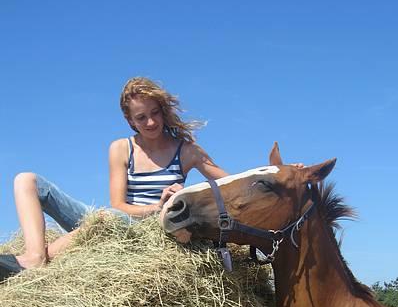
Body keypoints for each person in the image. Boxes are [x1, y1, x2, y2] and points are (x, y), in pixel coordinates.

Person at [0, 77, 228, 281]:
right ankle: (35, 256)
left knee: (106, 216)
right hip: (118, 218)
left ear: (163, 110)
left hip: (149, 231)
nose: (150, 122)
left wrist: (180, 202)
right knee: (27, 179)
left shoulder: (187, 151)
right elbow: (119, 205)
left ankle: (35, 262)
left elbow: (231, 184)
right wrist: (155, 205)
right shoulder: (121, 148)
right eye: (141, 117)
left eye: (155, 112)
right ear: (130, 121)